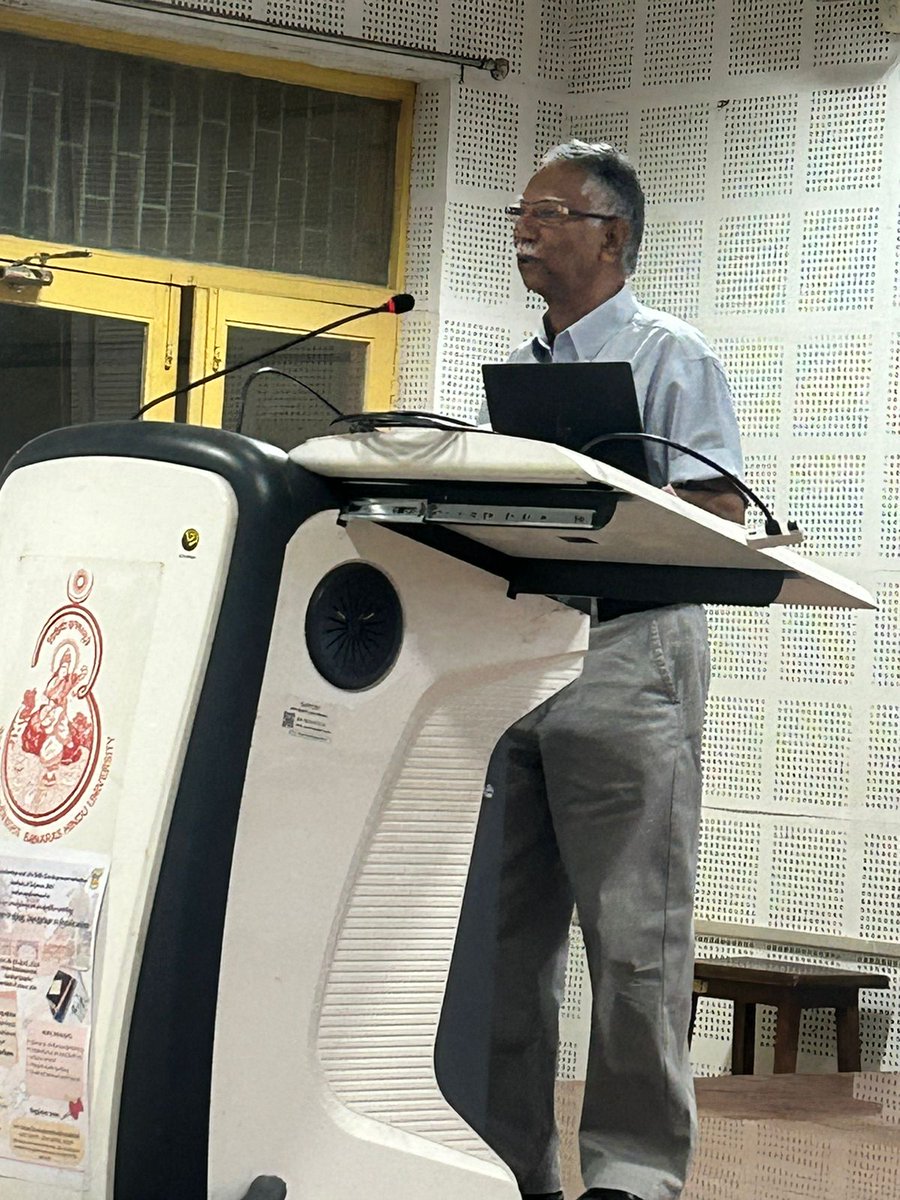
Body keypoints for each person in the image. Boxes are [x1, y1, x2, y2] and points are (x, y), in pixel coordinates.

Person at [475, 142, 745, 1200]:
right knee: (501, 943)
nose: (523, 231)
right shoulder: (524, 366)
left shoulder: (675, 357)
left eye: (546, 213)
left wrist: (622, 500)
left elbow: (723, 512)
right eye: (518, 213)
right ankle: (508, 1167)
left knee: (634, 939)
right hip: (522, 654)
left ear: (612, 236)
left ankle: (634, 1175)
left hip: (634, 652)